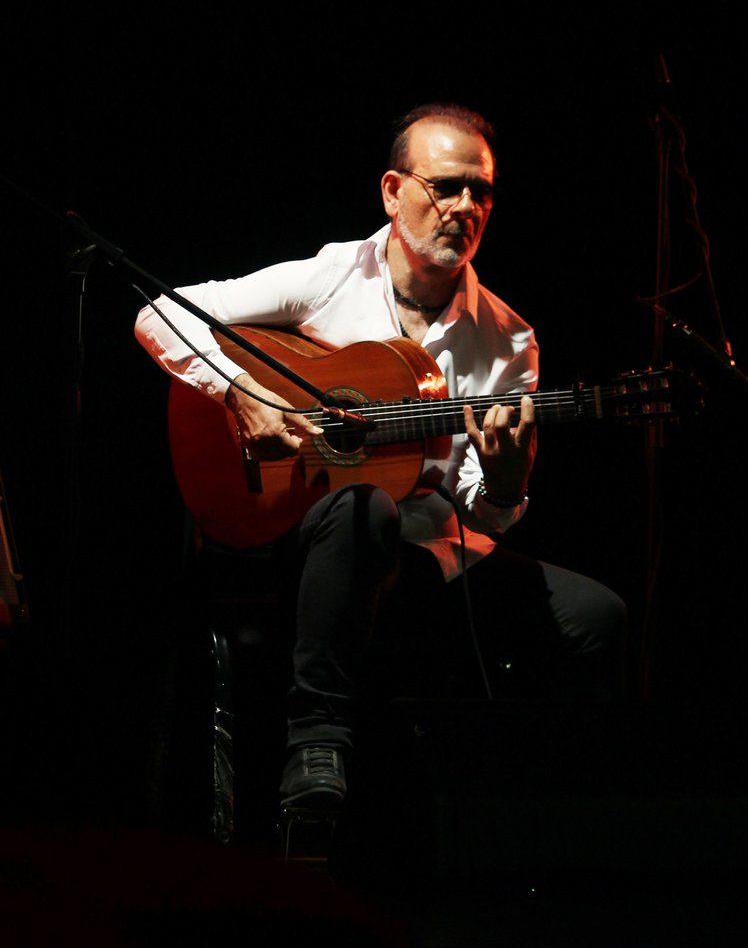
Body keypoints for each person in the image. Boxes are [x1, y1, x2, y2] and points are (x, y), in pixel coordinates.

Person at [134, 102, 627, 821]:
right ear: (394, 192)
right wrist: (240, 393)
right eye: (445, 187)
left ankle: (552, 808)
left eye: (481, 192)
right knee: (364, 508)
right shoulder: (335, 275)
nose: (465, 207)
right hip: (304, 529)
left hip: (424, 553)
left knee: (598, 617)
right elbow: (162, 313)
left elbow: (476, 509)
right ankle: (317, 748)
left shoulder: (509, 339)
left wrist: (508, 482)